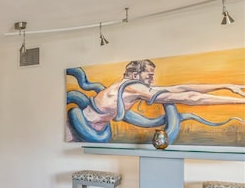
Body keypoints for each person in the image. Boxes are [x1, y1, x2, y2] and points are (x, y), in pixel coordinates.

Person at [67, 59, 245, 142]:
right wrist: (238, 102)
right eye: (150, 75)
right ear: (136, 75)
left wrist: (227, 85)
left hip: (95, 129)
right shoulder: (132, 87)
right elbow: (190, 98)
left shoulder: (134, 88)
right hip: (80, 126)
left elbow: (183, 88)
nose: (152, 79)